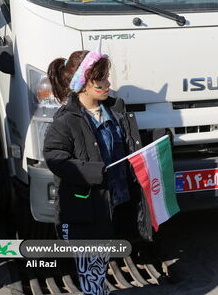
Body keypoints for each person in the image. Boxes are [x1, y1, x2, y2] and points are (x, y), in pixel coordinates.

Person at [43, 49, 153, 294]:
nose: (108, 83)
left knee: (100, 267)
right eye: (101, 78)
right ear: (83, 84)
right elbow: (55, 158)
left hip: (115, 204)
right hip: (86, 212)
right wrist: (93, 172)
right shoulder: (66, 120)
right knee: (92, 277)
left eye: (106, 77)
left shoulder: (115, 110)